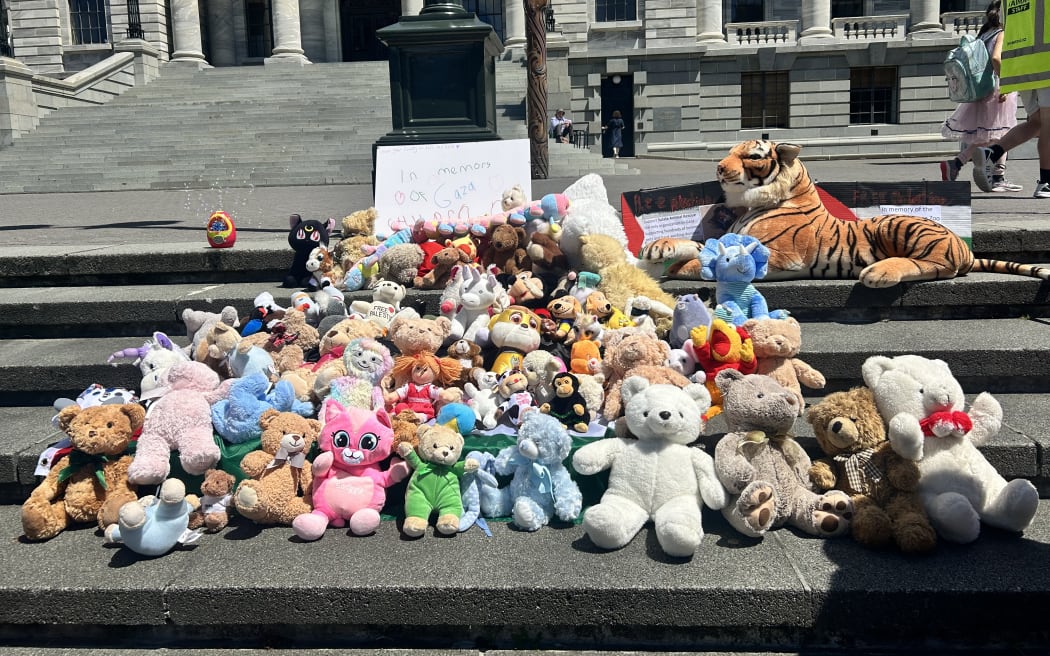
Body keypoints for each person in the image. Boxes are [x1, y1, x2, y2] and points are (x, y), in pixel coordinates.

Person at [940, 1, 1021, 193]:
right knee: (1003, 133)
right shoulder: (1002, 32)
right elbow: (996, 58)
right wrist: (1007, 84)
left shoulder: (984, 34)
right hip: (997, 87)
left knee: (988, 135)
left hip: (983, 89)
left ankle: (956, 165)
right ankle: (998, 177)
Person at [973, 0, 1050, 198]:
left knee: (1037, 124)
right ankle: (1046, 182)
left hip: (1021, 67)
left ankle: (992, 152)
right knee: (1048, 126)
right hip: (1045, 63)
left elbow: (1008, 27)